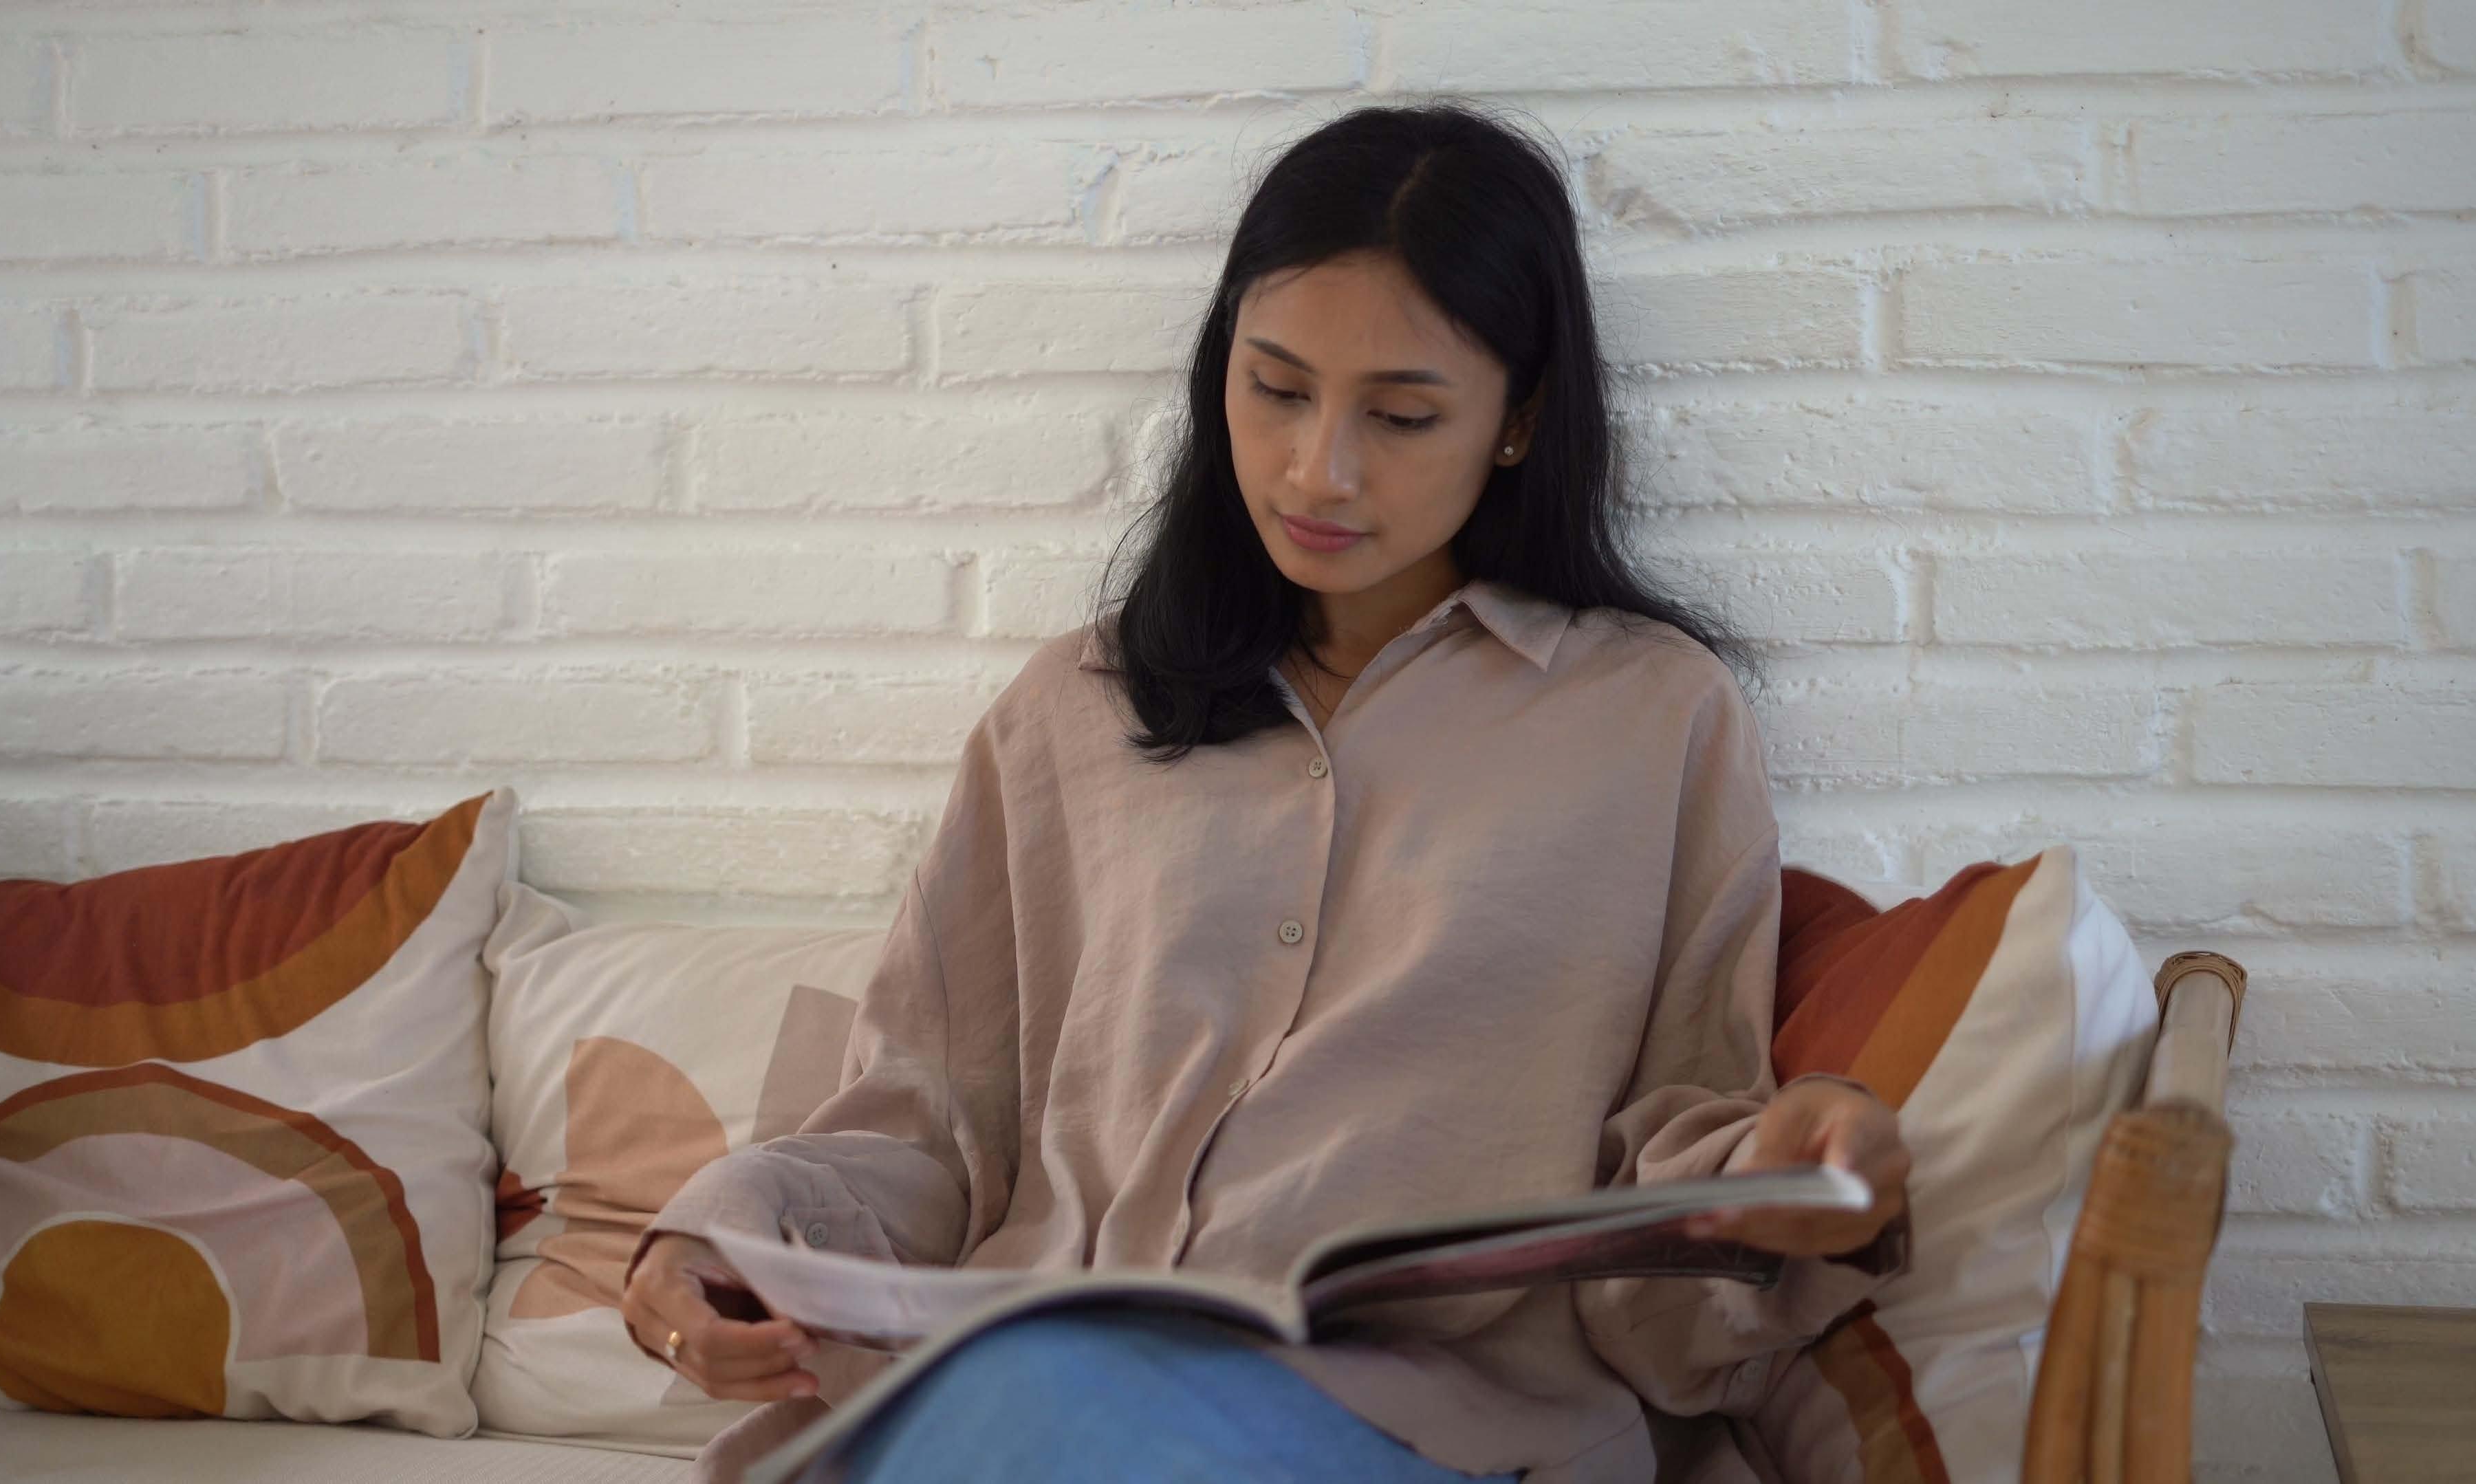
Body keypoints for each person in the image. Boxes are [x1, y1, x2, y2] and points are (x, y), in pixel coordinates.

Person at [618, 99, 1913, 1484]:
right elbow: (928, 1125)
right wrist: (712, 1234)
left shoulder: (1652, 717)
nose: (1316, 471)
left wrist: (1797, 1165)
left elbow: (1679, 1139)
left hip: (1421, 1424)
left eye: (1401, 414)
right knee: (1038, 1394)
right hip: (1032, 1384)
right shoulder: (1072, 710)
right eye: (1274, 388)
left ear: (1519, 419)